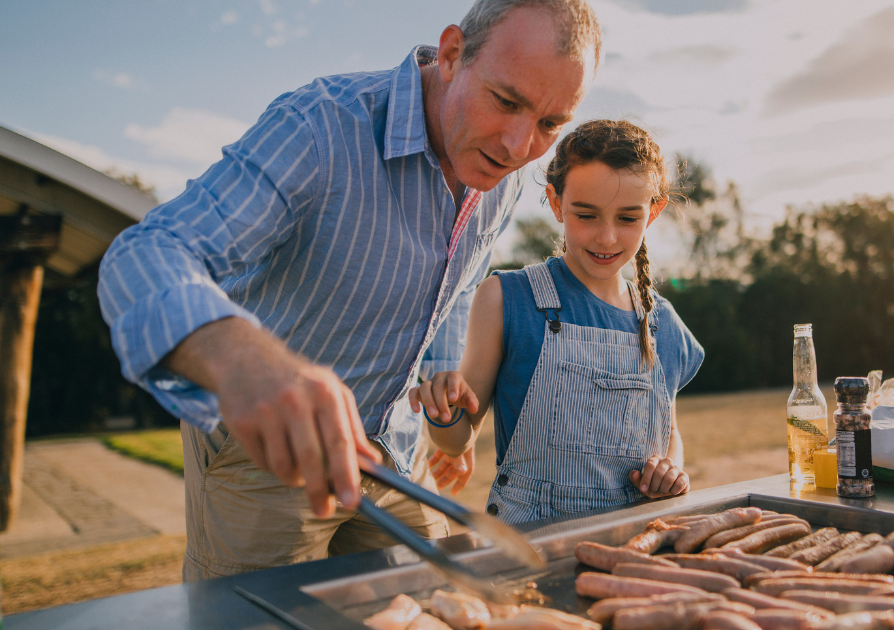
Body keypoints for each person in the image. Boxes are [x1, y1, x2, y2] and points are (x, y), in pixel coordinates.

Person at [96, 0, 601, 580]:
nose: (517, 146)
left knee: (443, 601)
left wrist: (439, 385)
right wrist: (243, 362)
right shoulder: (319, 126)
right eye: (506, 101)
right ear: (453, 54)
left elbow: (457, 284)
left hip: (394, 450)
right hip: (266, 456)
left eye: (548, 124)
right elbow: (146, 254)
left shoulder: (499, 175)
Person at [409, 120, 704, 523]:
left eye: (628, 219)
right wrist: (443, 411)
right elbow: (458, 440)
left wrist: (671, 468)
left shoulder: (662, 323)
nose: (606, 237)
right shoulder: (505, 299)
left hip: (636, 543)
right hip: (532, 545)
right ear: (555, 202)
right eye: (587, 215)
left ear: (653, 211)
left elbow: (668, 432)